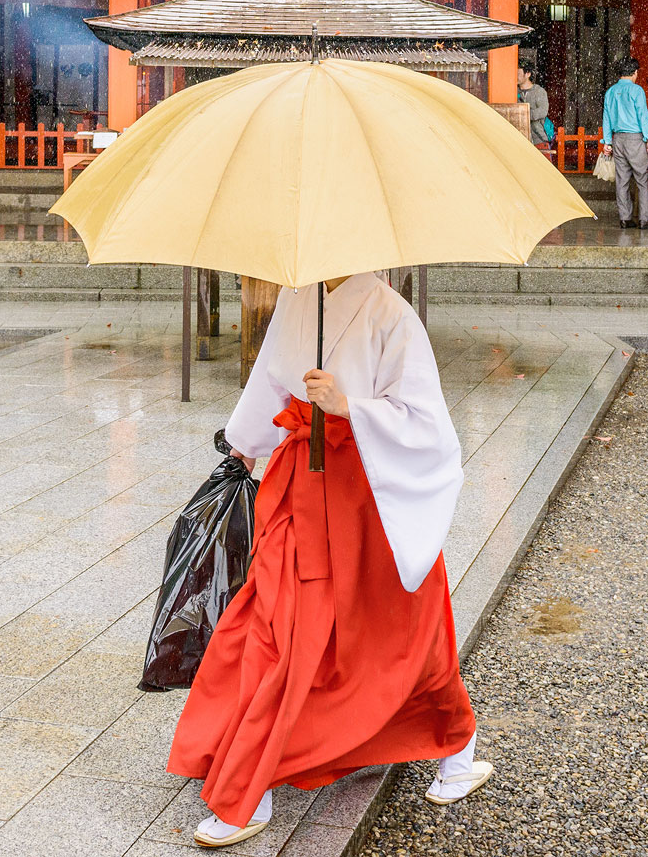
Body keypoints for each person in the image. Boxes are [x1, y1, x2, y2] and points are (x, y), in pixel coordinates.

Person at [170, 275, 489, 847]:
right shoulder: (298, 298)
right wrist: (243, 449)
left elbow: (427, 423)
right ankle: (250, 782)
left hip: (373, 495)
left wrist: (349, 406)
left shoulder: (391, 314)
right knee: (271, 625)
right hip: (301, 485)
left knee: (407, 630)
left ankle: (456, 751)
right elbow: (270, 379)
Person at [601, 58, 648, 228]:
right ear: (634, 73)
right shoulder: (636, 91)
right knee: (642, 178)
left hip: (618, 140)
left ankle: (625, 218)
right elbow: (643, 116)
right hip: (635, 139)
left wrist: (607, 141)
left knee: (622, 180)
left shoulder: (610, 91)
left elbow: (607, 118)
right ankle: (645, 218)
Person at [517, 63, 551, 147]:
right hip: (518, 138)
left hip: (538, 138)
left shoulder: (539, 91)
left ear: (528, 74)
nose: (515, 76)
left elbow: (543, 111)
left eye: (518, 74)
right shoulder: (513, 91)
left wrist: (524, 115)